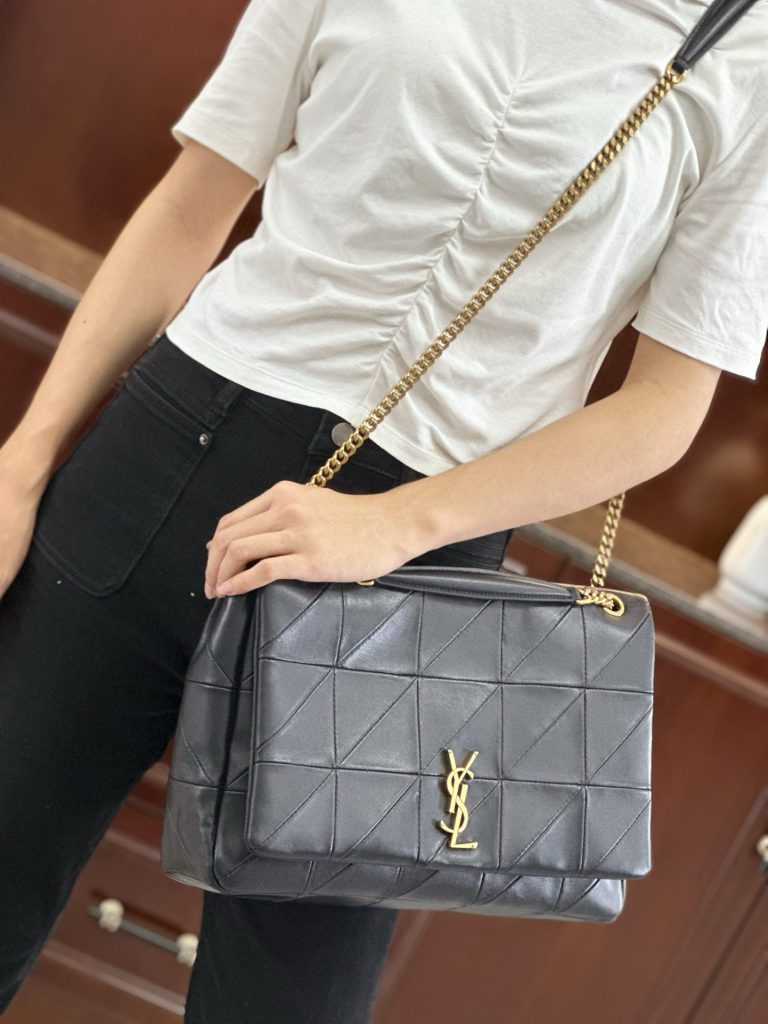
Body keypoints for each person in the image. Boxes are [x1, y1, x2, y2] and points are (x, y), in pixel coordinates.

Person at [1, 1, 766, 1021]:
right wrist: (23, 461)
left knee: (287, 1003)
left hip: (408, 573)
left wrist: (397, 523)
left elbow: (665, 409)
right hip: (169, 460)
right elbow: (196, 200)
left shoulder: (748, 51)